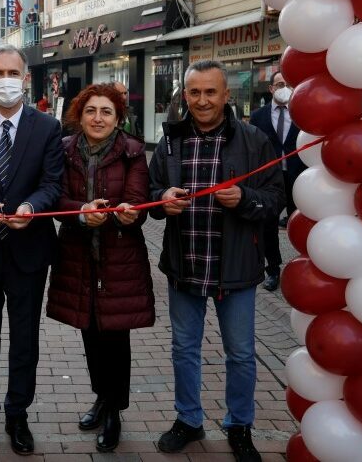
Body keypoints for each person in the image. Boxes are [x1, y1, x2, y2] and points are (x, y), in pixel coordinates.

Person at [147, 60, 283, 462]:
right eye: (194, 92)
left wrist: (246, 199)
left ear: (227, 95)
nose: (202, 100)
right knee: (183, 349)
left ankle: (239, 425)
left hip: (236, 268)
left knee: (240, 353)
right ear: (184, 96)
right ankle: (189, 420)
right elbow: (152, 194)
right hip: (185, 264)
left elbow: (276, 199)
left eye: (211, 92)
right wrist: (162, 201)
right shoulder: (170, 140)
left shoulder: (255, 140)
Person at [0, 45, 63, 456]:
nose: (5, 79)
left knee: (25, 339)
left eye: (12, 72)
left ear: (25, 78)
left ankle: (17, 414)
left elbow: (53, 182)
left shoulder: (47, 128)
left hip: (28, 250)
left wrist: (33, 207)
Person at [45, 83, 154, 453]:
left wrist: (124, 215)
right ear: (80, 114)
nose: (98, 118)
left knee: (115, 337)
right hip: (78, 256)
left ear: (118, 117)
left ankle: (115, 411)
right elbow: (56, 196)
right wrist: (79, 213)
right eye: (91, 111)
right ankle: (100, 398)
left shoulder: (133, 153)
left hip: (119, 258)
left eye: (106, 112)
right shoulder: (64, 150)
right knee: (89, 332)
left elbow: (139, 202)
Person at [247, 71, 303, 291]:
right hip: (269, 181)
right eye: (280, 84)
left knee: (303, 224)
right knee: (268, 226)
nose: (284, 88)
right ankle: (273, 269)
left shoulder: (302, 114)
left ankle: (306, 268)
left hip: (299, 179)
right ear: (271, 89)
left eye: (289, 84)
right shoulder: (258, 116)